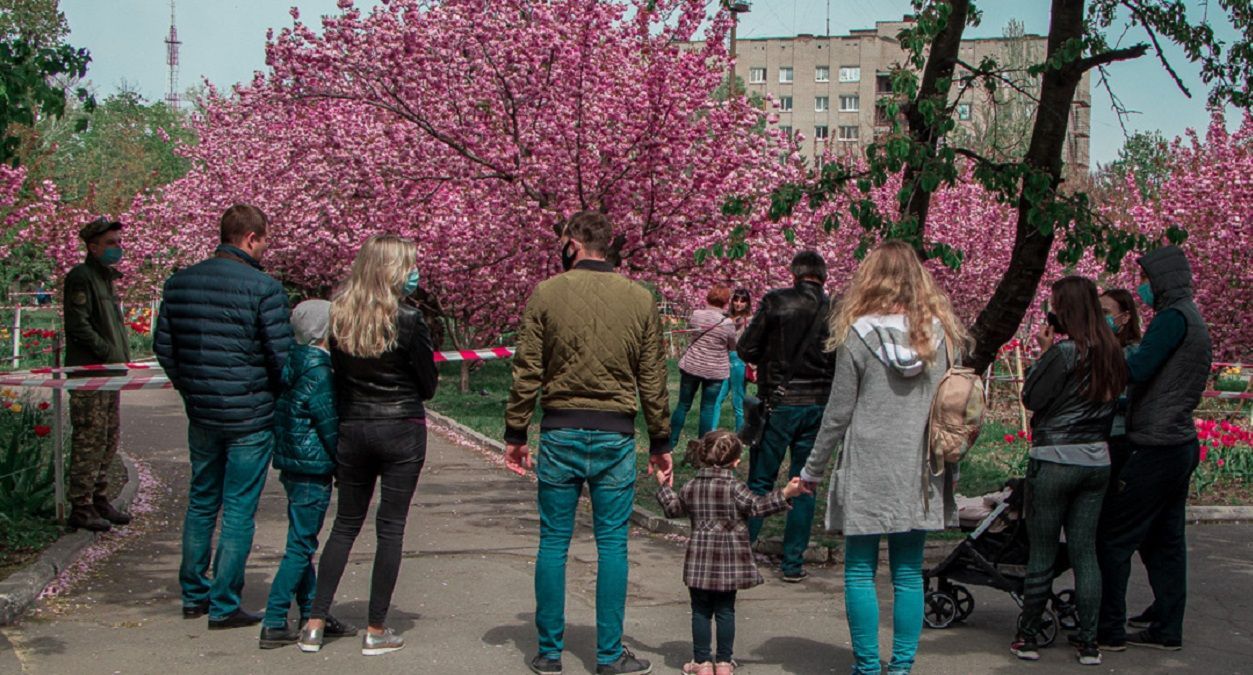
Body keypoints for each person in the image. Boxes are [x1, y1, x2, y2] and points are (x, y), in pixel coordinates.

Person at [503, 211, 672, 675]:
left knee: (554, 542)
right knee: (612, 544)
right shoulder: (639, 298)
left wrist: (516, 432)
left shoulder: (547, 293)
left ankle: (549, 652)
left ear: (573, 244)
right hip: (616, 433)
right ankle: (609, 654)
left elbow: (527, 371)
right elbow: (653, 377)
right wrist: (660, 439)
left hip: (560, 429)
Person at [799, 240, 966, 675]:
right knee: (908, 574)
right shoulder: (943, 335)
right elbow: (951, 409)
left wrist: (811, 471)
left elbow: (837, 414)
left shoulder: (858, 334)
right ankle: (902, 667)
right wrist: (953, 472)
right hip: (920, 467)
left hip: (868, 466)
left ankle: (868, 667)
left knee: (860, 572)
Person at [298, 236, 438, 656]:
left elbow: (337, 375)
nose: (416, 273)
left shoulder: (339, 316)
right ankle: (376, 628)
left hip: (354, 425)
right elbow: (428, 385)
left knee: (344, 525)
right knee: (390, 528)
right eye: (410, 265)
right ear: (395, 271)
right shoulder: (410, 320)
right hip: (401, 428)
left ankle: (314, 621)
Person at [155, 204, 293, 629]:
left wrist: (191, 388)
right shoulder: (264, 289)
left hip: (203, 413)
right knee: (237, 508)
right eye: (265, 239)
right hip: (249, 414)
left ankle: (193, 594)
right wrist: (277, 394)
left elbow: (164, 348)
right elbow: (281, 357)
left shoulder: (180, 283)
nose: (266, 247)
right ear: (250, 238)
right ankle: (224, 602)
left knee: (201, 502)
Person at [1097, 245, 1212, 653]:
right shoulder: (1191, 318)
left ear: (1162, 281)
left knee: (1114, 536)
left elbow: (1141, 368)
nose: (1142, 287)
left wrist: (1098, 358)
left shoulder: (1171, 318)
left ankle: (1107, 629)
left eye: (1146, 279)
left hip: (1155, 445)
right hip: (1179, 442)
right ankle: (1166, 623)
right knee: (1164, 540)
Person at [1010, 276, 1128, 666]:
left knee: (1042, 551)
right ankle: (1089, 642)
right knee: (1085, 552)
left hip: (1055, 458)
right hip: (1097, 461)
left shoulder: (1064, 353)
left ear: (1067, 310)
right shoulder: (1114, 351)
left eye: (1056, 305)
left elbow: (1032, 396)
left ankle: (1027, 637)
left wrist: (1044, 354)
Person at [655, 430, 807, 675]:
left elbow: (673, 510)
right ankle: (724, 662)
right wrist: (786, 493)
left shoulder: (691, 486)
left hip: (699, 562)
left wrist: (664, 486)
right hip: (730, 562)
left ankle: (702, 662)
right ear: (735, 461)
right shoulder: (736, 487)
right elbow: (758, 507)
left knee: (700, 611)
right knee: (726, 610)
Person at [259, 300, 357, 649]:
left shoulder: (296, 364)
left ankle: (313, 610)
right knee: (300, 546)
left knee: (302, 542)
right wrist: (346, 464)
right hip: (312, 468)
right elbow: (329, 426)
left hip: (294, 464)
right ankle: (273, 620)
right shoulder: (320, 373)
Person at [737, 250, 835, 583]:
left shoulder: (776, 302)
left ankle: (741, 551)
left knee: (761, 481)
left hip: (779, 404)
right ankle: (792, 563)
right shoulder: (836, 310)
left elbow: (746, 348)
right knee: (805, 483)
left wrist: (770, 358)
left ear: (794, 274)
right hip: (819, 405)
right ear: (823, 277)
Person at [62, 217, 132, 532]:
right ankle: (81, 504)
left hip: (110, 373)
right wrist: (106, 352)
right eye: (111, 243)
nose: (118, 248)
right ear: (93, 247)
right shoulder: (82, 277)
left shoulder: (105, 279)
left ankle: (100, 498)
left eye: (118, 242)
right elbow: (79, 325)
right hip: (91, 373)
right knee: (89, 438)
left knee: (108, 437)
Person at [670, 285, 737, 453]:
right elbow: (733, 345)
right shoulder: (727, 323)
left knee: (683, 405)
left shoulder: (696, 315)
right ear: (725, 302)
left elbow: (693, 335)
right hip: (715, 370)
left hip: (692, 365)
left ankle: (670, 444)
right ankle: (702, 449)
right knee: (707, 408)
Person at [711, 289, 753, 433]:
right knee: (717, 399)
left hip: (739, 361)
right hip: (724, 360)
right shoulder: (725, 317)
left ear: (747, 303)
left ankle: (739, 436)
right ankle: (711, 433)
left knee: (738, 402)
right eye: (736, 300)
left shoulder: (750, 320)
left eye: (742, 300)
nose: (738, 303)